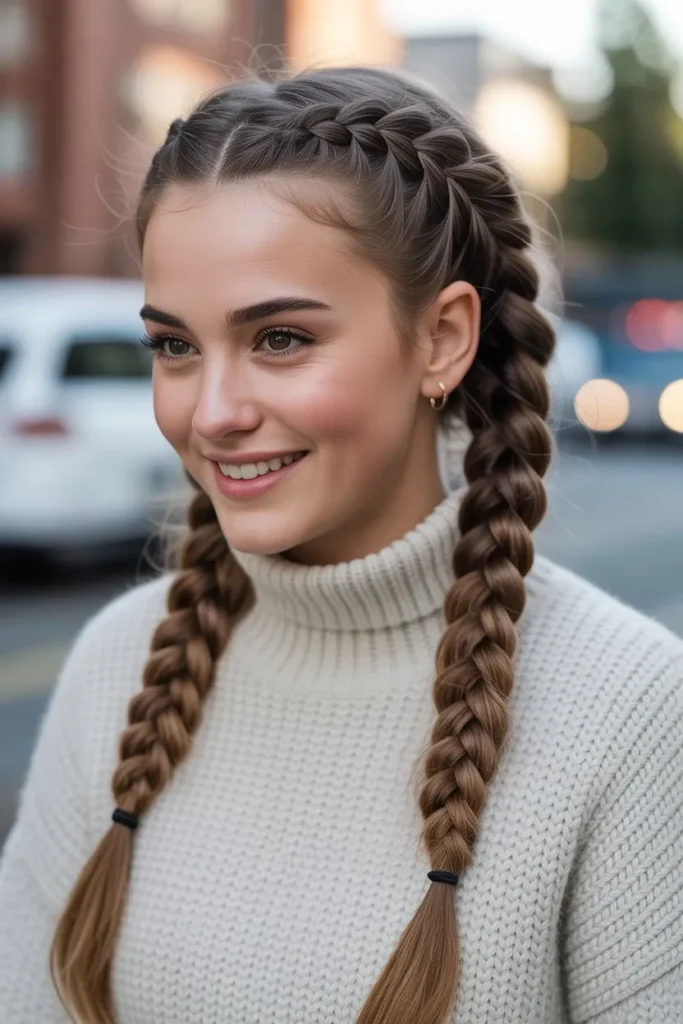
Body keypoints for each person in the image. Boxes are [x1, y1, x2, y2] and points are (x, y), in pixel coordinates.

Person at [0, 66, 681, 1024]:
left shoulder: (630, 707)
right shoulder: (116, 662)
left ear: (442, 338)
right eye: (174, 346)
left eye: (279, 339)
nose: (215, 413)